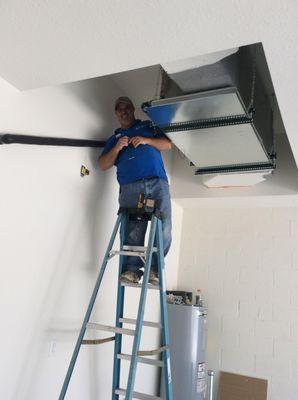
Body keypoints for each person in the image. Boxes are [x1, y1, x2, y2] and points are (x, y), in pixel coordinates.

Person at [98, 96, 172, 285]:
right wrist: (117, 148)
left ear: (133, 110)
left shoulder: (148, 127)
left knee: (163, 227)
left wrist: (146, 140)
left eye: (127, 108)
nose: (123, 111)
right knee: (133, 230)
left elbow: (168, 144)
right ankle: (131, 271)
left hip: (156, 183)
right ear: (116, 114)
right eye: (119, 109)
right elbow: (103, 164)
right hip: (130, 188)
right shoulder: (114, 138)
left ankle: (155, 270)